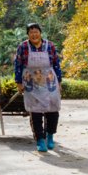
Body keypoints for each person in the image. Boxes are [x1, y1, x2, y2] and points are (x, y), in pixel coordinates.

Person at [15, 22, 62, 152]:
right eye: (31, 32)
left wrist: (59, 81)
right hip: (31, 83)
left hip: (49, 82)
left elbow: (56, 64)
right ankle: (40, 140)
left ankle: (50, 135)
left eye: (36, 32)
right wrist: (19, 82)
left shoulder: (50, 45)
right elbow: (18, 64)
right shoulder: (23, 47)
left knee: (53, 109)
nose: (34, 35)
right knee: (35, 111)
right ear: (28, 35)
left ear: (40, 33)